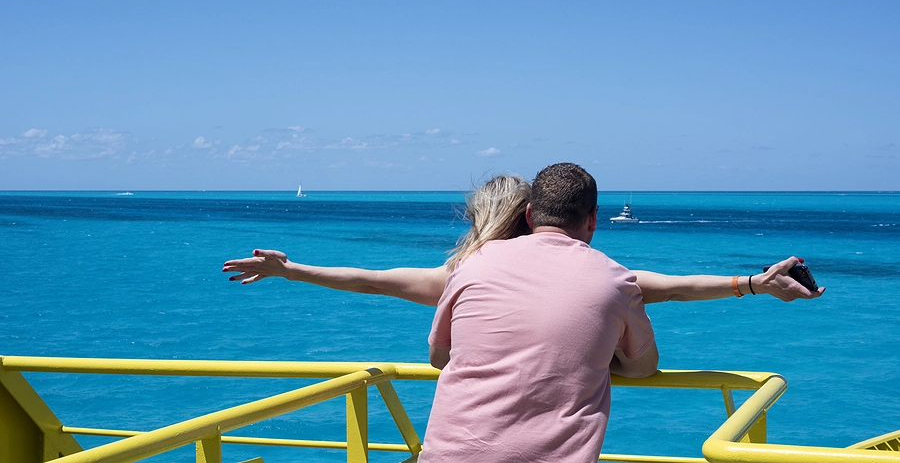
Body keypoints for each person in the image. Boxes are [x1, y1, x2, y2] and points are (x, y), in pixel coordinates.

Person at [223, 174, 824, 305]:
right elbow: (659, 286)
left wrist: (293, 269)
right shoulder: (593, 273)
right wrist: (752, 283)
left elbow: (372, 280)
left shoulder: (465, 276)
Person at [420, 162, 657, 461]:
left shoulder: (472, 264)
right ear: (593, 219)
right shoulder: (616, 281)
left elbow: (440, 358)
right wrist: (589, 358)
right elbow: (643, 366)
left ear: (530, 214)